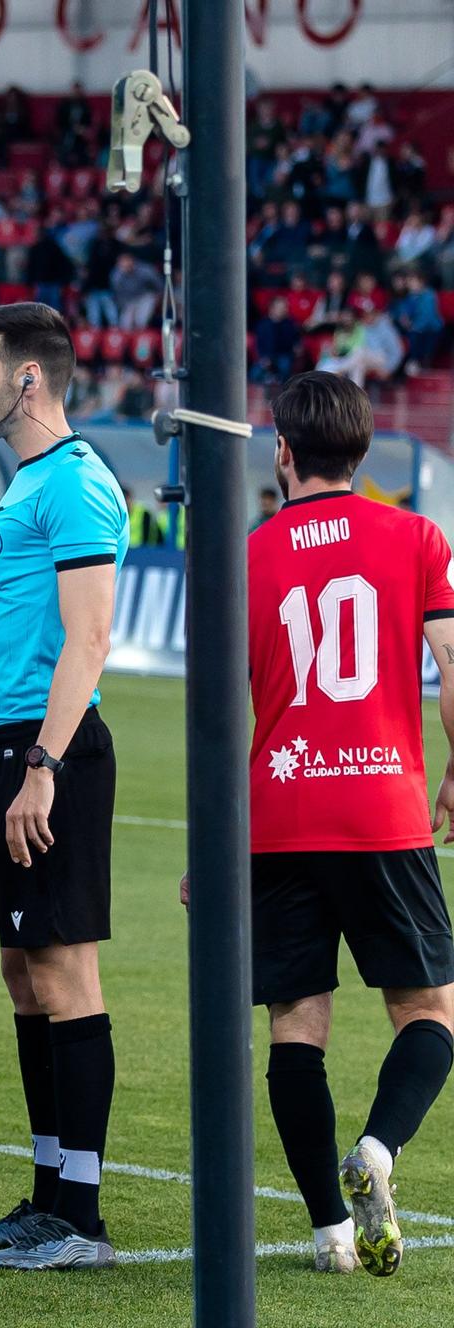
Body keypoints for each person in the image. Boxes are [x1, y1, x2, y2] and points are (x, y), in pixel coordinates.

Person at [237, 371, 454, 1276]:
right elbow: (451, 664)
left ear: (282, 451)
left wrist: (213, 846)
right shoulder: (415, 536)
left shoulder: (246, 554)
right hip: (383, 807)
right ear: (364, 453)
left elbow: (216, 715)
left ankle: (328, 1231)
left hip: (280, 811)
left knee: (297, 1020)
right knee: (429, 1010)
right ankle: (376, 1152)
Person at [0, 302, 125, 1270]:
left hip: (55, 754)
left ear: (26, 379)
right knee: (23, 971)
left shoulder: (78, 486)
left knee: (63, 970)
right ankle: (48, 1192)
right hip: (10, 743)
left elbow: (88, 640)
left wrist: (41, 768)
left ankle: (82, 1219)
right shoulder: (27, 485)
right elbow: (18, 637)